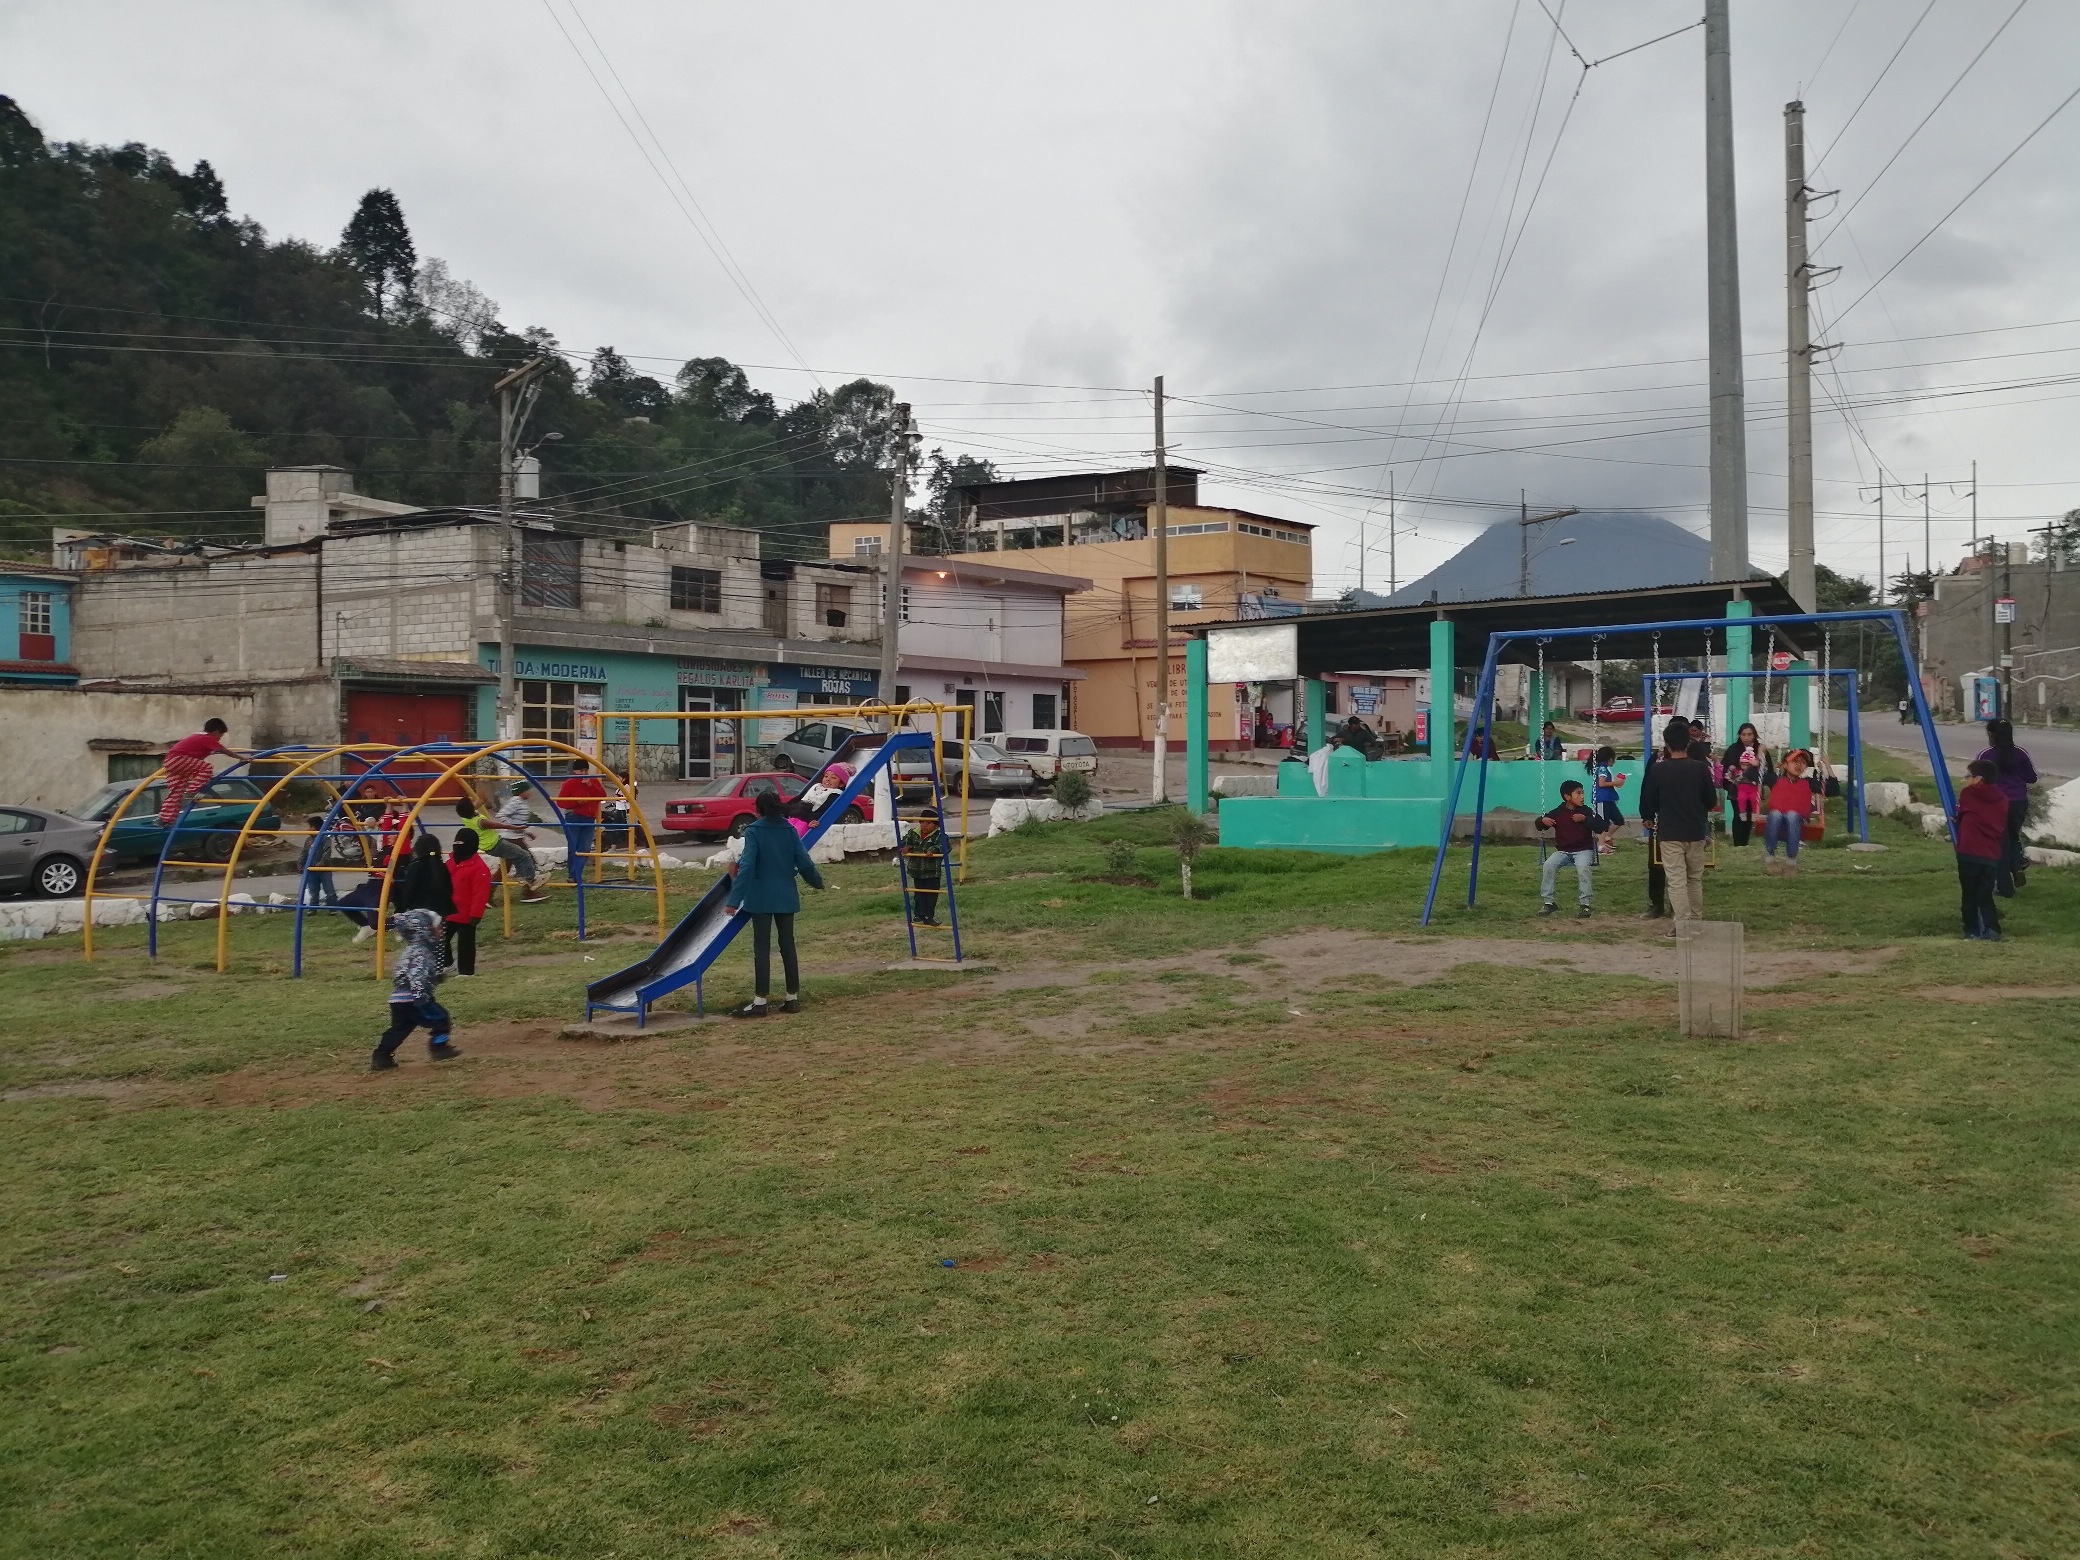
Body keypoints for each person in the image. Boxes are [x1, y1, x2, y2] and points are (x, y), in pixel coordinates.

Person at [724, 788, 826, 1017]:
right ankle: (792, 999)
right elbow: (805, 862)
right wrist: (817, 882)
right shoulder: (789, 830)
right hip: (786, 895)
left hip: (759, 897)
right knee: (787, 946)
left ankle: (760, 1002)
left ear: (758, 809)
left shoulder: (755, 831)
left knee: (762, 948)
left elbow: (748, 865)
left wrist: (733, 900)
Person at [1638, 717, 1718, 930]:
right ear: (1689, 742)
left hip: (1670, 831)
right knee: (1694, 879)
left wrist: (1648, 815)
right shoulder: (1700, 769)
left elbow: (1651, 801)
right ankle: (1697, 922)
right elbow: (1711, 801)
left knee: (1676, 881)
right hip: (1695, 831)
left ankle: (1682, 925)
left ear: (1667, 745)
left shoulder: (1658, 770)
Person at [369, 908, 462, 1071]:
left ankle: (381, 1056)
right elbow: (416, 976)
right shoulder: (422, 952)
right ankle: (439, 1048)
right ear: (426, 931)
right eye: (438, 928)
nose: (441, 931)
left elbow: (401, 974)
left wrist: (433, 978)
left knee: (399, 1029)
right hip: (414, 998)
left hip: (398, 999)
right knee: (441, 1018)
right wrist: (421, 998)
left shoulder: (410, 950)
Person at [1976, 719, 2037, 896]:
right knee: (2010, 836)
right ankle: (2017, 863)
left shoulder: (1986, 755)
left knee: (1999, 845)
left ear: (1991, 735)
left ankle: (2005, 888)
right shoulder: (2020, 753)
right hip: (2019, 803)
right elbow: (2032, 778)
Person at [1954, 759, 2009, 941]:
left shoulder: (1969, 794)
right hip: (1990, 853)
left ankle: (1971, 930)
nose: (1966, 780)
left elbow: (1962, 813)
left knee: (1969, 893)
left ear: (1978, 779)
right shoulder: (2002, 799)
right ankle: (1993, 929)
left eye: (1968, 776)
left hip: (1969, 851)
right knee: (1984, 893)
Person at [1535, 779, 1605, 919]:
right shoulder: (1558, 812)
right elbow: (1540, 824)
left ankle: (1585, 904)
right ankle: (1549, 902)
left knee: (1582, 868)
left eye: (1583, 793)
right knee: (1548, 865)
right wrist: (1542, 821)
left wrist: (1585, 819)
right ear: (1567, 797)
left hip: (1583, 850)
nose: (1582, 796)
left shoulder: (1586, 811)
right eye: (1578, 793)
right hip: (1563, 851)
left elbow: (1601, 826)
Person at [157, 719, 241, 826]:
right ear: (216, 731)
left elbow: (206, 750)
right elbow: (224, 751)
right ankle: (192, 791)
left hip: (171, 762)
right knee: (206, 768)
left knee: (175, 793)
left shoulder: (198, 737)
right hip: (179, 760)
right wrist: (241, 758)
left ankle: (164, 820)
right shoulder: (207, 738)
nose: (219, 739)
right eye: (220, 735)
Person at [484, 784, 549, 903]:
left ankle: (488, 896)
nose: (530, 792)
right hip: (511, 839)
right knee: (528, 861)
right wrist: (513, 827)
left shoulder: (522, 802)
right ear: (521, 792)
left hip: (516, 837)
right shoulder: (516, 801)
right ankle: (529, 893)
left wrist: (525, 832)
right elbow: (501, 815)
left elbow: (518, 821)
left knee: (506, 868)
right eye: (528, 790)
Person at [1762, 749, 1817, 875]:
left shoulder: (1808, 782)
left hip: (1797, 820)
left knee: (1792, 815)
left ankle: (1791, 862)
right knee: (1775, 814)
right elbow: (1756, 775)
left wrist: (1826, 767)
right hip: (1777, 820)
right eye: (1795, 761)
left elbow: (1832, 788)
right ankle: (1770, 858)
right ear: (1785, 765)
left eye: (1803, 762)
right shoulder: (1775, 780)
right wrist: (1762, 756)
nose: (1798, 765)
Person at [445, 830, 491, 975]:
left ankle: (466, 972)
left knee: (465, 944)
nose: (457, 846)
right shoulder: (450, 862)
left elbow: (480, 894)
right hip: (448, 911)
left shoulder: (479, 868)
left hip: (466, 914)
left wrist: (476, 915)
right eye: (456, 842)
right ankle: (447, 964)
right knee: (439, 938)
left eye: (461, 843)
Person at [556, 759, 607, 885]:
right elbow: (560, 802)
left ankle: (575, 875)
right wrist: (577, 802)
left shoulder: (593, 781)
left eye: (585, 770)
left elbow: (602, 795)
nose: (583, 773)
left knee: (584, 848)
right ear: (575, 771)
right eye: (581, 770)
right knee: (573, 846)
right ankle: (573, 875)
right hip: (574, 816)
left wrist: (590, 785)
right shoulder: (569, 783)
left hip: (589, 818)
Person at [390, 831, 455, 919]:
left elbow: (409, 890)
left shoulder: (415, 867)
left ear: (418, 849)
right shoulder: (442, 866)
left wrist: (404, 906)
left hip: (418, 912)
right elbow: (449, 888)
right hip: (440, 912)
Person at [1721, 723, 1766, 848]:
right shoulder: (1733, 749)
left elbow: (1766, 769)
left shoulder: (1760, 749)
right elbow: (1726, 768)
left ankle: (1745, 842)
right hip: (1737, 788)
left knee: (1749, 815)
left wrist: (1761, 755)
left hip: (1753, 788)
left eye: (1749, 734)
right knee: (1738, 814)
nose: (1746, 737)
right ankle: (1737, 843)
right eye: (1743, 734)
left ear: (1754, 735)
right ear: (1739, 735)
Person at [901, 812, 947, 926]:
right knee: (919, 895)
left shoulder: (939, 835)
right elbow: (905, 840)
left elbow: (945, 846)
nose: (924, 825)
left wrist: (933, 849)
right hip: (917, 871)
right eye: (921, 822)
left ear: (936, 825)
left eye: (928, 823)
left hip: (931, 872)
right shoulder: (914, 833)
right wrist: (907, 846)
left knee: (931, 895)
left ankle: (928, 916)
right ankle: (918, 916)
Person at [1587, 745, 1627, 852]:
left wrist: (1615, 784)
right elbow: (1602, 783)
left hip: (1608, 799)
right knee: (1602, 823)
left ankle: (1606, 838)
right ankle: (1601, 845)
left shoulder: (1604, 768)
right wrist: (1616, 782)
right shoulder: (1602, 768)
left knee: (1619, 820)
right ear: (1610, 758)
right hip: (1601, 799)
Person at [301, 814, 339, 909]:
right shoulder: (309, 840)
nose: (307, 829)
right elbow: (304, 852)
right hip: (311, 869)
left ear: (314, 828)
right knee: (313, 889)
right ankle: (313, 906)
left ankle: (332, 907)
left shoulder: (324, 838)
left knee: (329, 889)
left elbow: (327, 852)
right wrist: (300, 864)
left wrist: (320, 864)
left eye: (309, 827)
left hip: (323, 869)